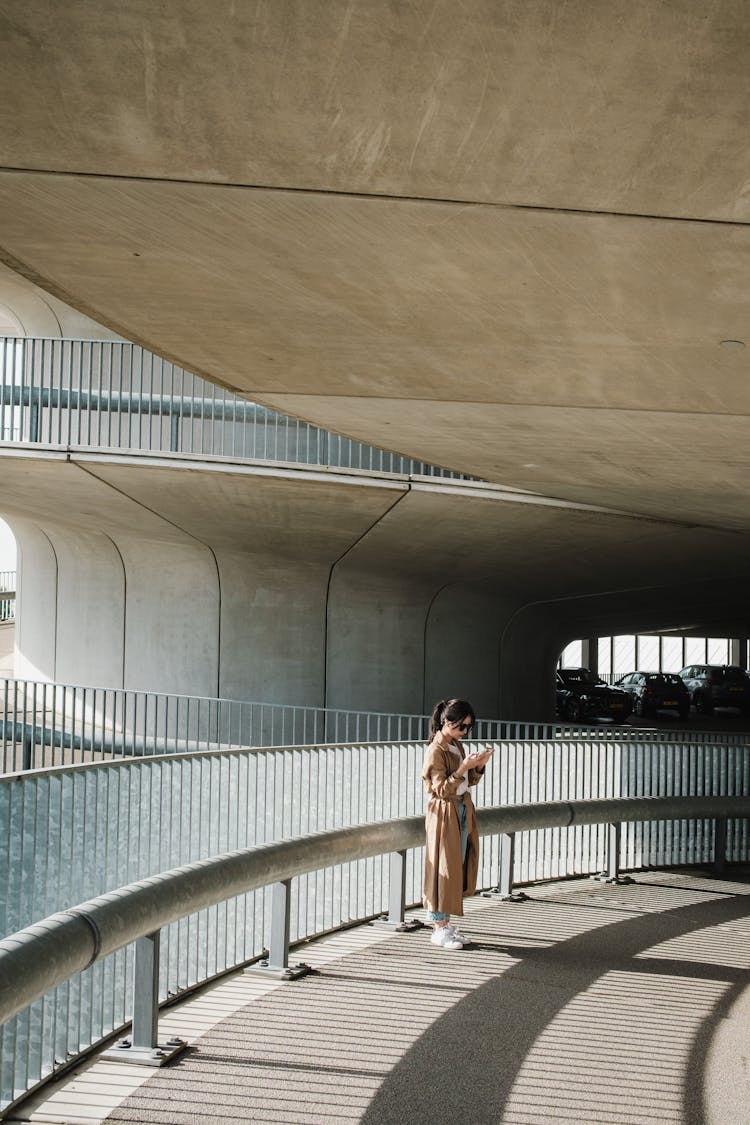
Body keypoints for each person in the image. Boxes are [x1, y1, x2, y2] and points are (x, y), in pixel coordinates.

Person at [422, 697, 494, 949]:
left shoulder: (454, 745)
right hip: (444, 812)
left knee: (457, 865)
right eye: (461, 726)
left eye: (468, 727)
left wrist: (478, 767)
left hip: (460, 808)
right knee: (444, 868)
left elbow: (465, 783)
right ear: (446, 721)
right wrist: (464, 767)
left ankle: (445, 925)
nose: (465, 731)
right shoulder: (436, 749)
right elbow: (441, 789)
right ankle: (439, 928)